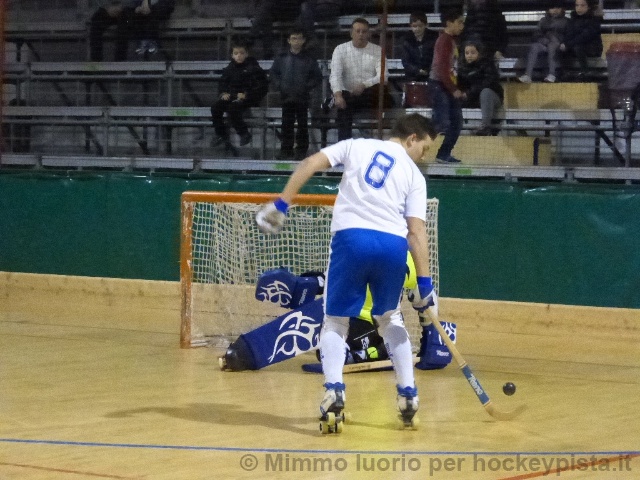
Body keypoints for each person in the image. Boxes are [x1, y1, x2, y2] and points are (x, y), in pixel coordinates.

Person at [255, 113, 439, 432]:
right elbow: (416, 232)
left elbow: (309, 163)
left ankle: (334, 394)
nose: (423, 157)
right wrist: (425, 284)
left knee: (336, 320)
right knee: (390, 319)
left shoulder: (356, 146)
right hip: (392, 246)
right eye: (424, 148)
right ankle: (408, 396)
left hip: (351, 239)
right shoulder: (414, 176)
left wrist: (281, 204)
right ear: (412, 138)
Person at [329, 17, 394, 141]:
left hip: (370, 94)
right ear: (351, 33)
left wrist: (364, 85)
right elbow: (335, 75)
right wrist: (337, 95)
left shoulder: (378, 51)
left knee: (382, 92)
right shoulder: (340, 50)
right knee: (344, 105)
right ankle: (345, 145)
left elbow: (383, 76)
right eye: (357, 31)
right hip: (348, 94)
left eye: (364, 31)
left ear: (368, 34)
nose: (361, 34)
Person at [270, 29, 323, 160]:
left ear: (303, 40)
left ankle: (301, 151)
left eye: (299, 38)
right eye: (294, 38)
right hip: (286, 96)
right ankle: (286, 150)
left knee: (302, 125)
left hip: (302, 97)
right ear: (289, 40)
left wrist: (306, 87)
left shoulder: (309, 59)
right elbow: (273, 74)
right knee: (286, 124)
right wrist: (280, 85)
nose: (296, 41)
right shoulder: (281, 58)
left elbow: (317, 77)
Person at [211, 40, 269, 148]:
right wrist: (223, 93)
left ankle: (244, 134)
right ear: (232, 55)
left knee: (233, 108)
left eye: (242, 53)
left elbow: (261, 86)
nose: (239, 56)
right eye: (236, 53)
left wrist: (247, 95)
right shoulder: (230, 68)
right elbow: (223, 82)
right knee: (215, 108)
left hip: (248, 98)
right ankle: (220, 134)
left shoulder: (253, 68)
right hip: (232, 96)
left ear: (246, 54)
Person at [428, 7, 465, 164]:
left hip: (446, 85)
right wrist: (453, 89)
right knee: (441, 122)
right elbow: (442, 68)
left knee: (456, 122)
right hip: (439, 85)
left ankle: (443, 154)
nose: (462, 26)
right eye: (459, 22)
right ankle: (414, 144)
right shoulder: (444, 40)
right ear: (449, 23)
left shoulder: (451, 41)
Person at [88, 0, 174, 61]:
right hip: (115, 6)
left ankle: (120, 61)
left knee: (125, 19)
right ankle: (96, 62)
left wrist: (131, 6)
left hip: (133, 10)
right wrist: (108, 6)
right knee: (97, 20)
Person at [458, 40, 504, 136]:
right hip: (472, 99)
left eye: (473, 52)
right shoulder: (461, 68)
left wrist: (469, 93)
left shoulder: (488, 65)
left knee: (485, 92)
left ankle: (485, 126)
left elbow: (488, 83)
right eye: (467, 53)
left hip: (492, 98)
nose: (469, 55)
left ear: (479, 53)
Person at [518, 0, 568, 84]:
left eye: (558, 8)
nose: (555, 10)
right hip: (545, 43)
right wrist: (542, 39)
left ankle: (552, 74)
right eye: (552, 8)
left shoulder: (566, 21)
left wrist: (563, 42)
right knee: (534, 46)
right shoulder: (543, 20)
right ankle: (528, 75)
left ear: (562, 9)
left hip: (559, 45)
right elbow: (536, 34)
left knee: (552, 45)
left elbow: (569, 35)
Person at [559, 0, 603, 80]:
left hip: (592, 47)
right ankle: (565, 72)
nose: (579, 8)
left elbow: (585, 36)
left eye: (582, 5)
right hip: (576, 45)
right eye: (577, 5)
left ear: (588, 7)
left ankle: (585, 71)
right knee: (561, 47)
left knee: (578, 47)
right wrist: (564, 43)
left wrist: (568, 44)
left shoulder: (594, 20)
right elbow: (568, 34)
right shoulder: (572, 20)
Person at [400, 11, 439, 82]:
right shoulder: (406, 40)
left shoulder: (434, 38)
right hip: (412, 77)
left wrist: (429, 70)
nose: (417, 29)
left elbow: (437, 57)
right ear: (410, 26)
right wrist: (417, 70)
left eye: (420, 26)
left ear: (426, 25)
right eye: (414, 26)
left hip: (431, 76)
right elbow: (405, 61)